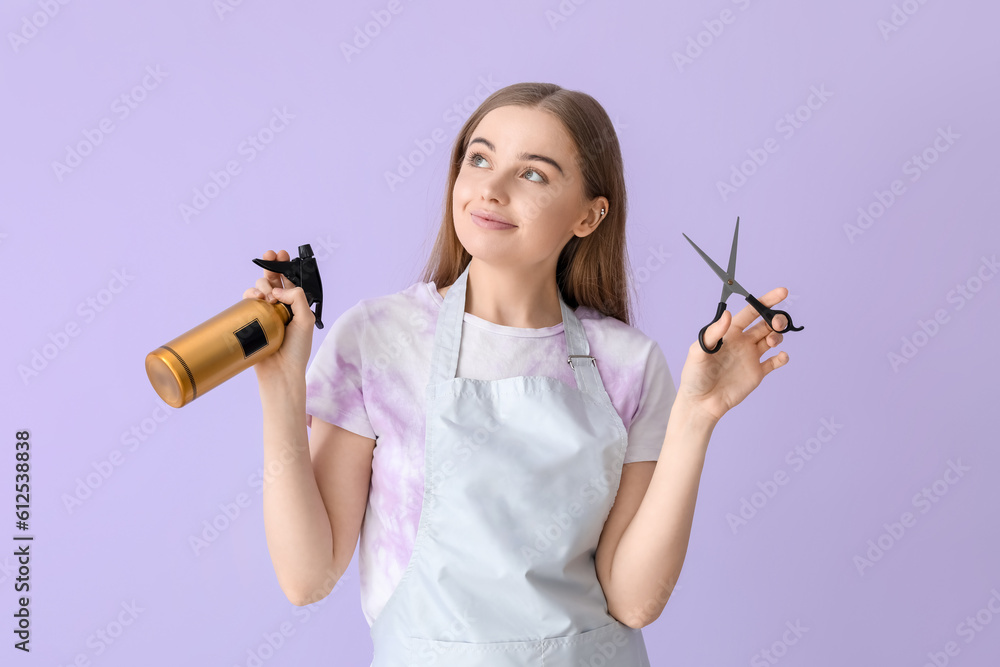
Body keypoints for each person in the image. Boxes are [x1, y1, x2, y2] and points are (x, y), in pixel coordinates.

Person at [244, 82, 791, 666]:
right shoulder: (379, 339)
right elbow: (307, 579)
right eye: (479, 159)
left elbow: (634, 602)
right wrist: (281, 385)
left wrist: (696, 416)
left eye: (533, 174)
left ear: (589, 215)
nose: (491, 189)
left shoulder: (628, 363)